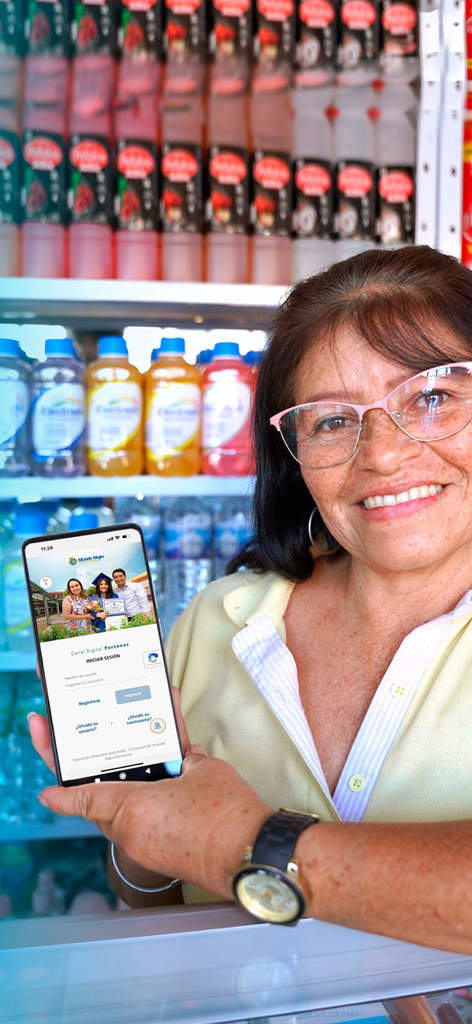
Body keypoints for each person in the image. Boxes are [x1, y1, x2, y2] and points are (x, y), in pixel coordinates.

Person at [29, 247, 472, 951]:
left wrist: (241, 843)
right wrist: (147, 837)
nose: (382, 454)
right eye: (331, 420)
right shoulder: (217, 620)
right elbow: (155, 901)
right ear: (291, 453)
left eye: (434, 397)